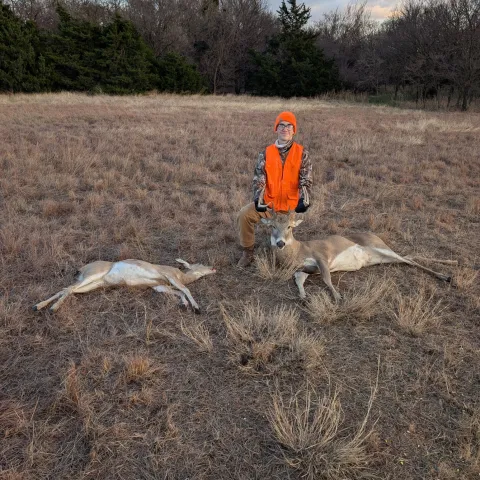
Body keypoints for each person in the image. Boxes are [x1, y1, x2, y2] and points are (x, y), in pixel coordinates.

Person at [236, 111, 313, 267]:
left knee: (288, 250)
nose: (285, 128)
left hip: (290, 207)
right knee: (244, 214)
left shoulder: (302, 153)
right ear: (276, 129)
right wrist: (258, 199)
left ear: (294, 130)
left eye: (289, 126)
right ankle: (248, 252)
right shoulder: (266, 153)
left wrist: (304, 200)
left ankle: (290, 251)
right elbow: (259, 178)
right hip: (269, 205)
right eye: (281, 125)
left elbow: (306, 180)